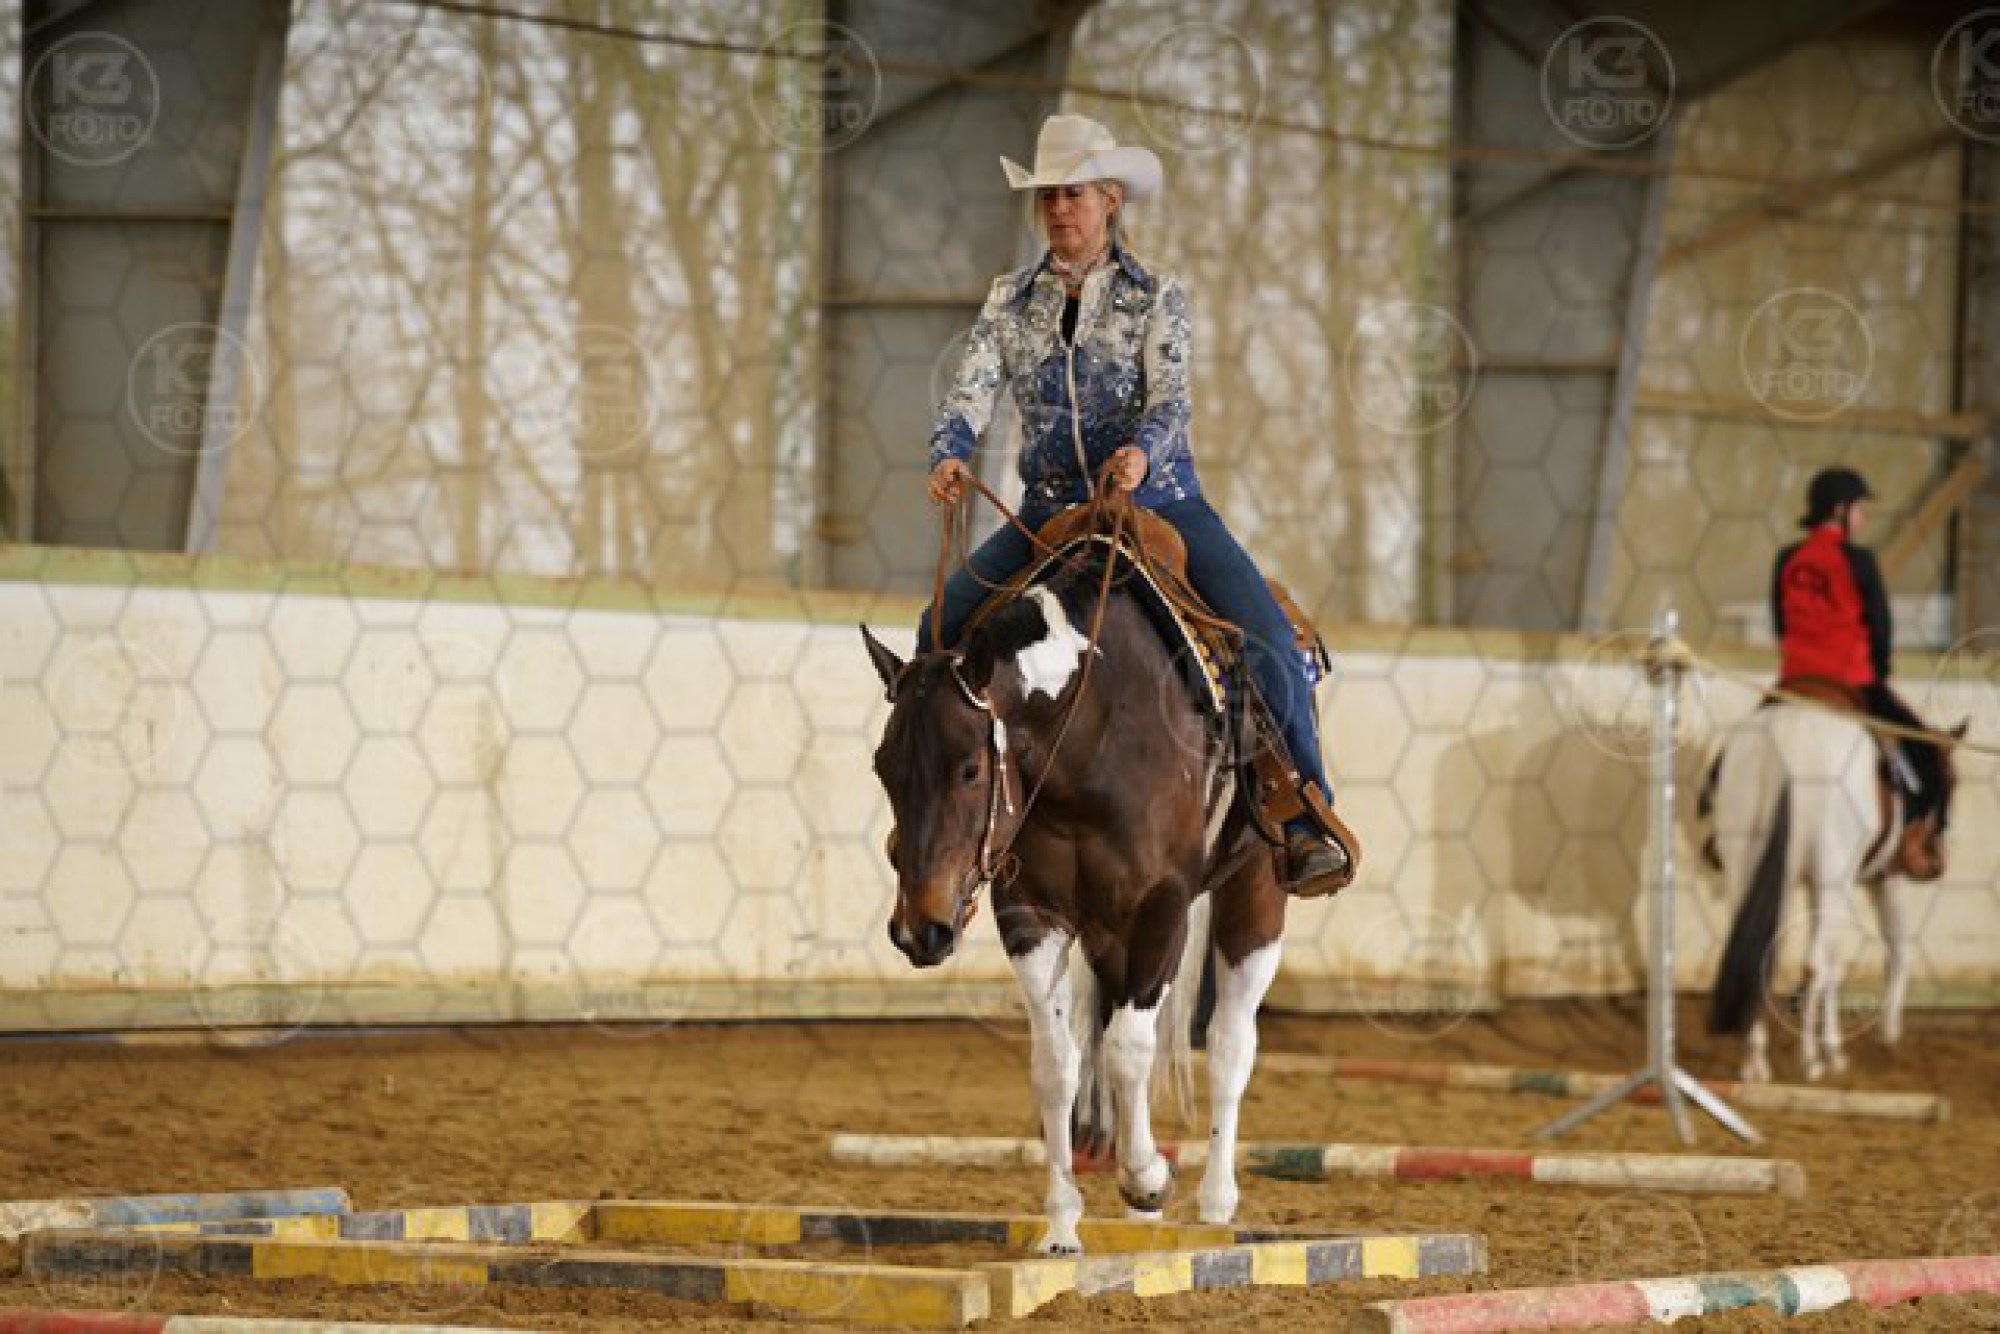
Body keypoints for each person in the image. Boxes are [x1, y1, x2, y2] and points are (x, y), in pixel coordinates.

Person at [917, 112, 1350, 895]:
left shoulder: (1156, 297)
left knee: (1265, 638)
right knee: (938, 629)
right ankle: (940, 812)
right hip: (1049, 513)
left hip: (1161, 503)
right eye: (1049, 196)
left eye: (1074, 193)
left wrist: (1143, 451)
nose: (1059, 208)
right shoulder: (1009, 302)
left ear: (1110, 200)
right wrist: (949, 449)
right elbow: (972, 389)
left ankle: (1301, 812)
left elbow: (1171, 397)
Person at [1771, 466, 1939, 808]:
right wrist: (1880, 674)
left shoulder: (1787, 558)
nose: (1864, 517)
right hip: (1851, 679)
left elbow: (1780, 623)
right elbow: (1880, 625)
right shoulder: (1859, 560)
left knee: (1746, 734)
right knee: (1923, 749)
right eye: (1860, 508)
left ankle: (1714, 784)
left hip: (1795, 680)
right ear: (1839, 510)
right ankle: (1919, 807)